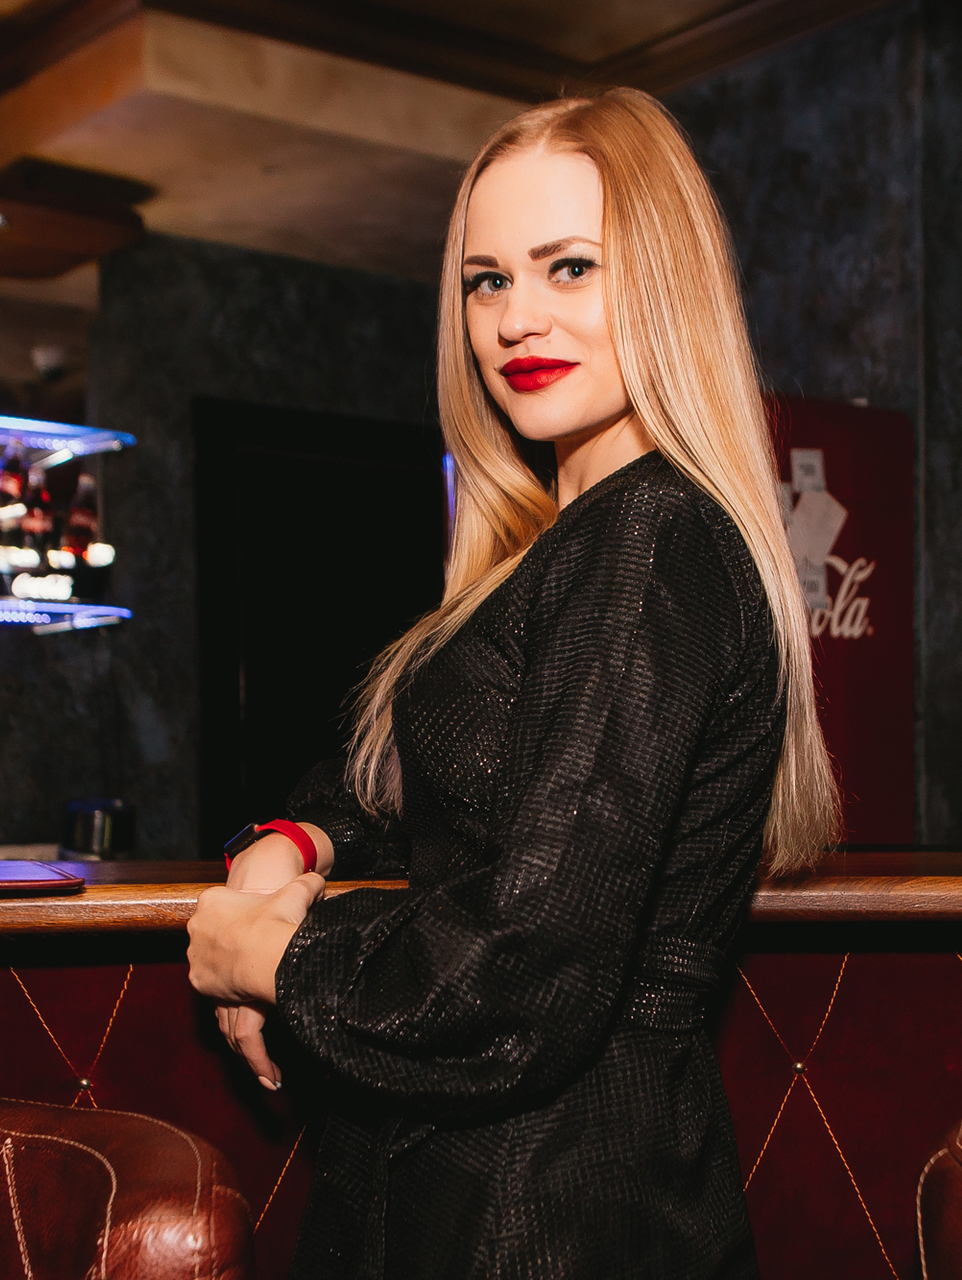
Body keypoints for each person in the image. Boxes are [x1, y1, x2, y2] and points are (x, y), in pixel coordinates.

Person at [186, 87, 839, 1278]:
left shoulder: (647, 539)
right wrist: (293, 838)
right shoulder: (569, 540)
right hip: (520, 1191)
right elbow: (433, 775)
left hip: (546, 1213)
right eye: (486, 280)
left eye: (569, 266)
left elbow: (525, 964)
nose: (515, 319)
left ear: (664, 278)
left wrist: (267, 957)